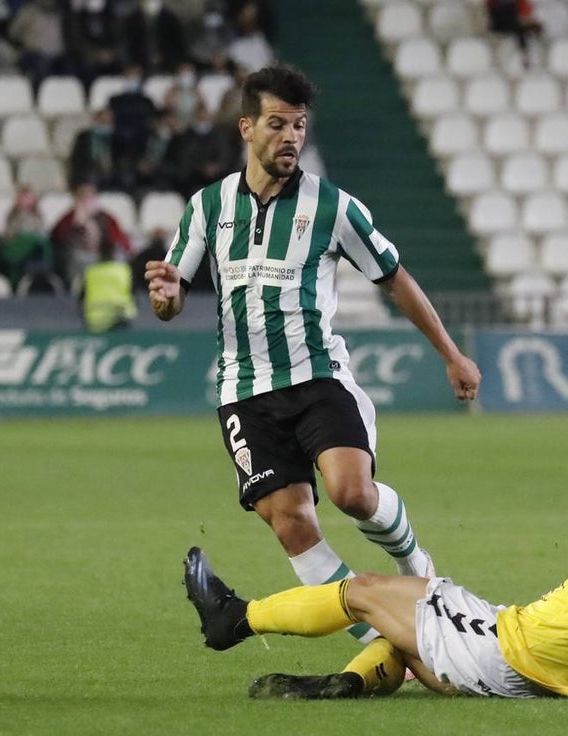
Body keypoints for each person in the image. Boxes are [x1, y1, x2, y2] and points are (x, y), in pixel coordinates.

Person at [146, 65, 482, 645]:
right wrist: (166, 297)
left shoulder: (334, 207)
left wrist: (451, 354)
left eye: (299, 126)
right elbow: (170, 299)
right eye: (277, 124)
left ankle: (416, 565)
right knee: (292, 522)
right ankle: (382, 643)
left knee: (352, 493)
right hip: (244, 392)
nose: (291, 137)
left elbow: (395, 278)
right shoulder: (207, 206)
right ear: (247, 128)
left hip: (317, 377)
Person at [183, 353, 568, 699]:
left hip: (510, 652)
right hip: (525, 655)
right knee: (399, 626)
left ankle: (235, 619)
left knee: (366, 591)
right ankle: (352, 682)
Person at [51, 181, 133, 292]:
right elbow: (58, 240)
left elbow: (118, 238)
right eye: (84, 198)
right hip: (79, 256)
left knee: (120, 257)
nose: (88, 202)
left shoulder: (105, 217)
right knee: (80, 258)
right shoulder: (69, 219)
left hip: (104, 254)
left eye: (91, 198)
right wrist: (78, 224)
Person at [79, 243, 136, 332]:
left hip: (95, 320)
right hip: (120, 316)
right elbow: (133, 291)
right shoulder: (123, 270)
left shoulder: (90, 271)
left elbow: (81, 297)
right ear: (114, 254)